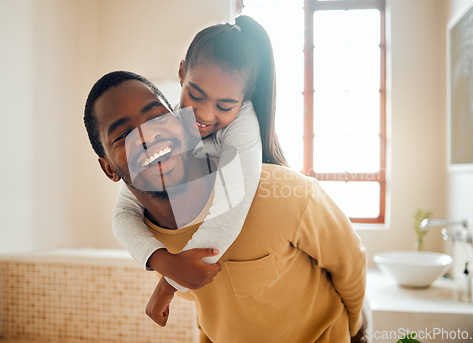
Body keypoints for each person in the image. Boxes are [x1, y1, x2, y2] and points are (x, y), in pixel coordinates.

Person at [84, 71, 367, 342]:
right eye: (122, 136)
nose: (147, 136)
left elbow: (350, 263)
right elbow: (217, 307)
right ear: (109, 169)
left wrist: (355, 331)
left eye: (157, 116)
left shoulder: (281, 193)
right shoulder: (145, 239)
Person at [112, 15, 286, 293]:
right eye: (195, 94)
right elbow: (124, 212)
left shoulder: (243, 124)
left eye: (225, 106)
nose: (204, 115)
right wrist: (164, 262)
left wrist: (167, 288)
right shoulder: (167, 119)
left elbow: (228, 212)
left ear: (245, 97)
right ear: (182, 73)